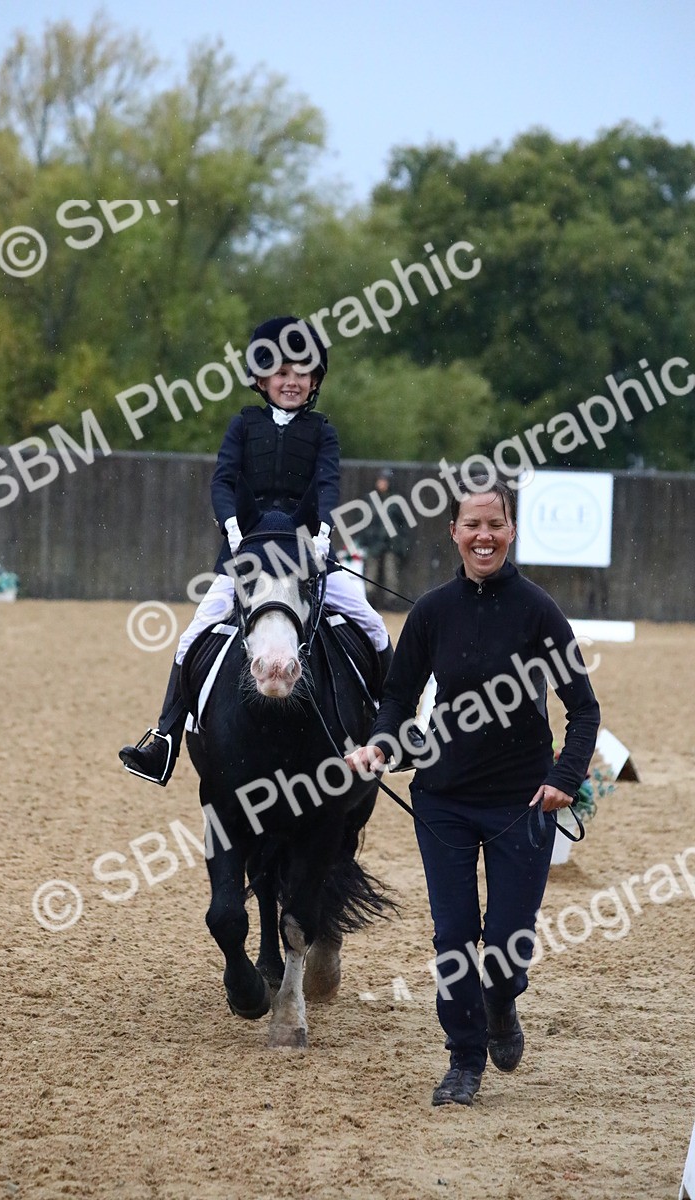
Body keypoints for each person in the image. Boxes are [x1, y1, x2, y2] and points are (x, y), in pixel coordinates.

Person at [345, 477, 600, 1107]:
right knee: (454, 935)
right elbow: (398, 696)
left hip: (523, 804)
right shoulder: (432, 611)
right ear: (454, 533)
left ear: (511, 531)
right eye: (472, 525)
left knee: (509, 944)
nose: (483, 536)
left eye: (495, 525)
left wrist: (563, 780)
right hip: (444, 800)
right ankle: (463, 1059)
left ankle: (501, 1004)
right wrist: (382, 742)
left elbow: (583, 710)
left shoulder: (539, 610)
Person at [120, 315, 392, 785]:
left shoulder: (323, 432)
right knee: (192, 635)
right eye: (281, 372)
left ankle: (398, 728)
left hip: (306, 551)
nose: (291, 381)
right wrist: (231, 527)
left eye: (301, 372)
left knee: (372, 624)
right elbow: (224, 480)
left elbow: (327, 486)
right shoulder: (242, 425)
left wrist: (323, 532)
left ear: (315, 381)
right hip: (245, 551)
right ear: (261, 378)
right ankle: (164, 739)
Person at [355, 468, 412, 610]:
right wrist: (366, 539)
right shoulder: (370, 500)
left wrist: (401, 542)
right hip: (373, 543)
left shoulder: (395, 501)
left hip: (391, 544)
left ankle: (391, 602)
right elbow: (363, 522)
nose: (382, 484)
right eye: (380, 480)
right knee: (370, 573)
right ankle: (369, 601)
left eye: (384, 480)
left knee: (391, 573)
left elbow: (402, 524)